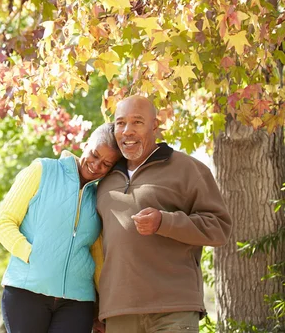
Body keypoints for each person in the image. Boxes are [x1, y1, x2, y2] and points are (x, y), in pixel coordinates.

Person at [95, 95, 232, 333]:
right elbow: (94, 248)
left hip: (173, 307)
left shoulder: (187, 168)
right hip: (118, 310)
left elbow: (219, 228)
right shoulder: (103, 179)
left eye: (137, 122)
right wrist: (98, 308)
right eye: (120, 123)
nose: (127, 131)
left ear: (154, 126)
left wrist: (165, 222)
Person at [0, 122, 122, 333]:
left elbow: (96, 253)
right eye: (95, 155)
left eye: (106, 164)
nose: (97, 166)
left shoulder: (98, 196)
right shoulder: (42, 170)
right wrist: (32, 255)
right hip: (27, 291)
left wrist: (102, 303)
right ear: (86, 144)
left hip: (78, 300)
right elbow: (3, 222)